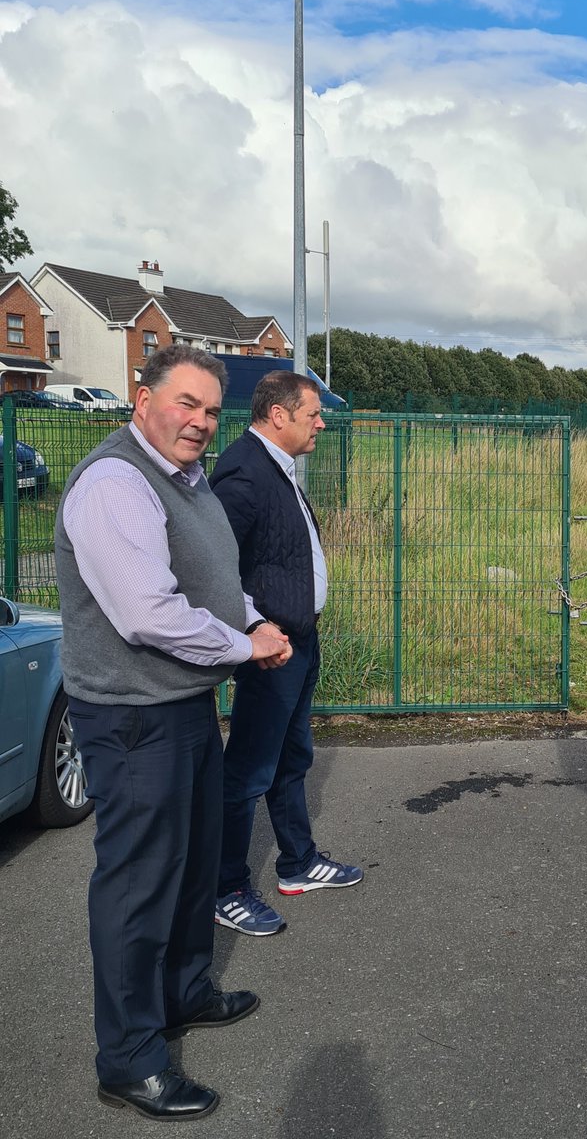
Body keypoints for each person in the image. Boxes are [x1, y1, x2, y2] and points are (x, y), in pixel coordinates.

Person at [54, 345, 293, 1120]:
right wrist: (242, 647)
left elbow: (213, 582)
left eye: (209, 410)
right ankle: (128, 1058)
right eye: (184, 403)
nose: (197, 421)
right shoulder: (116, 482)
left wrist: (253, 619)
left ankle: (184, 992)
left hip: (182, 705)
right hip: (131, 717)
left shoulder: (185, 480)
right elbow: (148, 613)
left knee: (188, 867)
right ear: (143, 397)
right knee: (136, 886)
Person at [210, 370, 362, 939]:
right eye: (312, 413)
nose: (322, 422)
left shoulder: (278, 466)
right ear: (278, 415)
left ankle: (297, 863)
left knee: (292, 755)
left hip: (300, 639)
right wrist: (255, 629)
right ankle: (225, 888)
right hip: (270, 648)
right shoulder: (243, 471)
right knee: (247, 769)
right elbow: (215, 569)